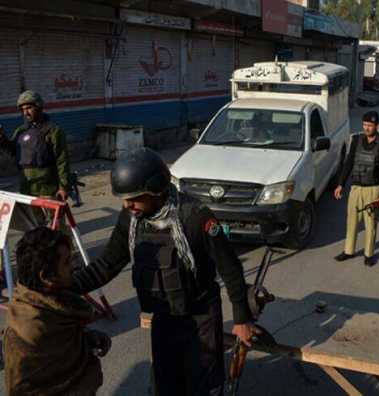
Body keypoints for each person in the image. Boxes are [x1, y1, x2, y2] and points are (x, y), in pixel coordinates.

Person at [70, 148, 257, 396]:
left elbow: (229, 267)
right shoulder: (132, 219)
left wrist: (242, 319)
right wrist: (62, 287)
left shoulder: (195, 218)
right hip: (164, 317)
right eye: (124, 199)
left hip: (200, 315)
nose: (127, 205)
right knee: (166, 384)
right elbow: (106, 265)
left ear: (156, 188)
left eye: (134, 198)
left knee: (202, 384)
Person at [3, 227, 110, 396]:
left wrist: (87, 339)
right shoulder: (27, 332)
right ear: (46, 276)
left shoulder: (54, 302)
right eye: (66, 262)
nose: (73, 267)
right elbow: (20, 389)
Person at [334, 111, 379, 267]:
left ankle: (369, 254)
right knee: (352, 220)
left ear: (376, 126)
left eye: (370, 125)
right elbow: (348, 163)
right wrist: (340, 183)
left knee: (370, 223)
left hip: (374, 189)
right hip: (356, 188)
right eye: (365, 125)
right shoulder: (356, 140)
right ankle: (349, 250)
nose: (366, 128)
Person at [0, 91, 70, 201]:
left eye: (29, 108)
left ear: (39, 107)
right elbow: (13, 151)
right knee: (30, 218)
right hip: (26, 188)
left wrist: (63, 187)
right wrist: (2, 140)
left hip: (47, 189)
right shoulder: (20, 131)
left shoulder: (53, 131)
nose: (25, 113)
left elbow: (62, 160)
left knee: (52, 218)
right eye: (23, 110)